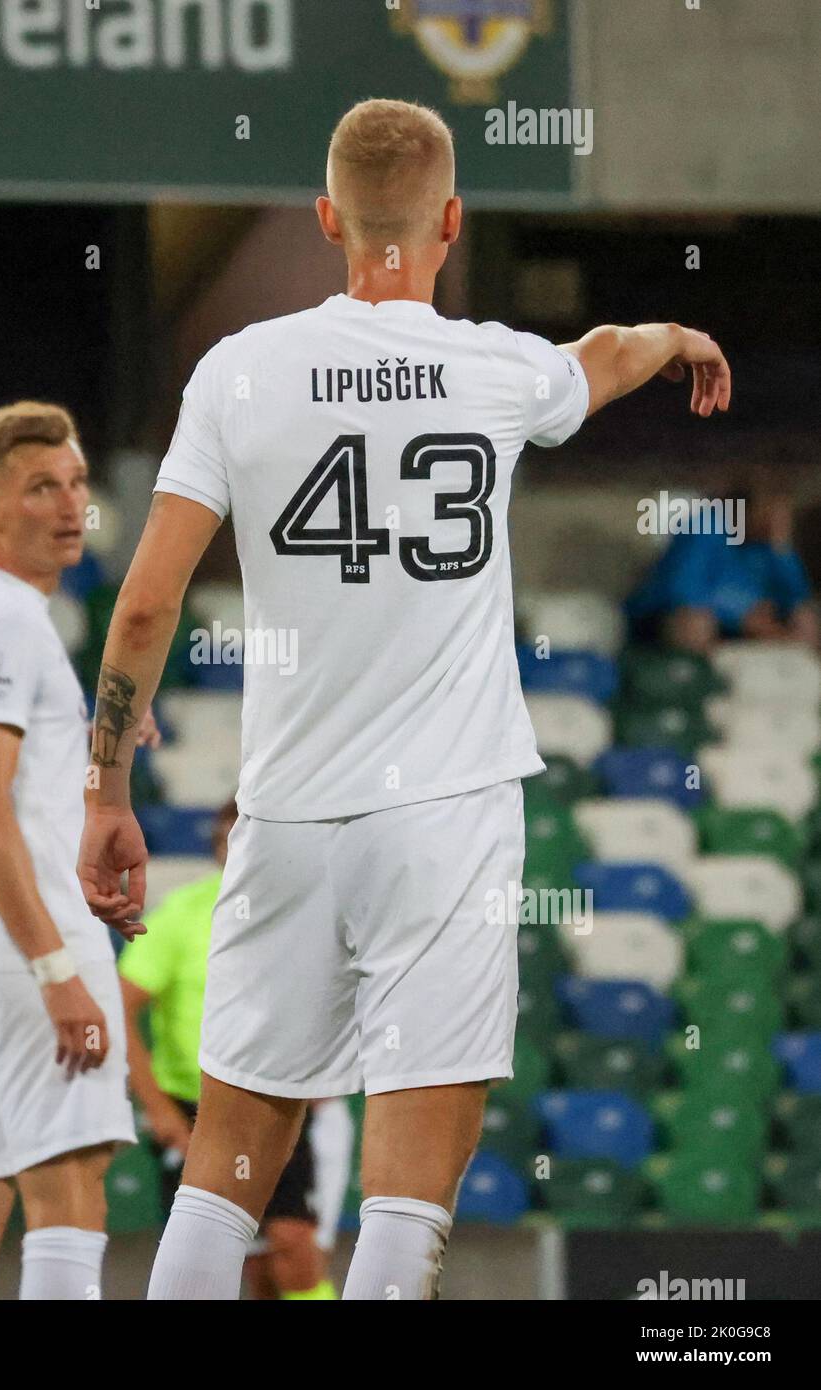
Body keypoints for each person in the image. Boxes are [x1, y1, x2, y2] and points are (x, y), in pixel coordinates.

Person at [76, 98, 731, 1301]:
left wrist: (106, 787)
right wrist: (672, 329)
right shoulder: (495, 368)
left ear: (326, 220)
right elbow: (601, 355)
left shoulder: (236, 371)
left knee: (223, 1174)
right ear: (452, 221)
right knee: (404, 1197)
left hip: (285, 821)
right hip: (444, 818)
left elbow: (141, 607)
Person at [0, 401, 157, 1301]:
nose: (69, 505)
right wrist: (56, 971)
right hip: (26, 946)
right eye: (41, 487)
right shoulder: (12, 621)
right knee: (69, 1192)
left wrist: (97, 733)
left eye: (78, 482)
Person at [118, 799, 337, 1299]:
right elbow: (120, 1007)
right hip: (197, 1109)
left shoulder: (297, 913)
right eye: (225, 840)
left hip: (276, 1096)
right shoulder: (183, 914)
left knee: (292, 1242)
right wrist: (160, 1114)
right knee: (214, 1252)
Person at [627, 478, 817, 651]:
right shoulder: (707, 525)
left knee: (805, 617)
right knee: (695, 621)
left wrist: (781, 551)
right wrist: (740, 615)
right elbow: (682, 590)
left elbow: (796, 595)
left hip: (747, 623)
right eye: (769, 512)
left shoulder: (765, 546)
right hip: (666, 618)